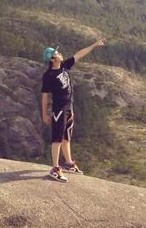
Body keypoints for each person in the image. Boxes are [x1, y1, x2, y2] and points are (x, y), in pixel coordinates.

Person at [41, 38, 106, 182]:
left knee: (66, 137)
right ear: (52, 59)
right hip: (59, 110)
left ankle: (69, 163)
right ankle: (55, 168)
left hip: (69, 108)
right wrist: (45, 114)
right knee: (57, 139)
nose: (60, 53)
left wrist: (94, 45)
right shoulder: (48, 76)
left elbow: (79, 54)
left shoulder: (63, 66)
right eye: (57, 53)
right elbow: (45, 96)